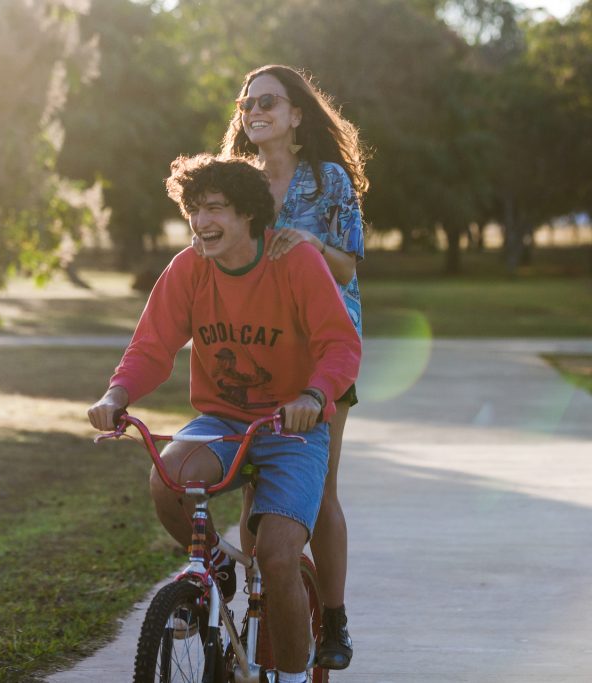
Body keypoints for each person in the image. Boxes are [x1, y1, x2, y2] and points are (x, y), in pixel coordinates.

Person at [87, 153, 361, 683]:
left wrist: (313, 395)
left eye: (215, 208)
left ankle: (291, 676)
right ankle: (212, 567)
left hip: (292, 428)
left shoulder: (295, 263)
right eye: (194, 209)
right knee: (168, 478)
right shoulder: (188, 268)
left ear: (248, 214)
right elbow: (152, 347)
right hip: (221, 421)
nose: (200, 221)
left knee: (277, 557)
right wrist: (116, 395)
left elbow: (340, 345)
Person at [216, 64, 369, 670]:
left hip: (324, 352)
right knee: (256, 486)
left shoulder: (328, 180)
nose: (255, 111)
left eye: (269, 102)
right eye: (247, 103)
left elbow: (348, 267)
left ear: (297, 114)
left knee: (319, 489)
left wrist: (308, 243)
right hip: (260, 347)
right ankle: (264, 599)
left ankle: (333, 615)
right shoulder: (239, 182)